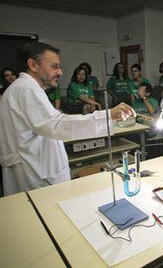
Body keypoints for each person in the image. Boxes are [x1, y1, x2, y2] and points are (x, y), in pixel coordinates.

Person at [0, 41, 136, 196]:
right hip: (35, 177)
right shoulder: (26, 89)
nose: (60, 72)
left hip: (37, 170)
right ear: (33, 65)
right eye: (54, 66)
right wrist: (108, 115)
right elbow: (56, 125)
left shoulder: (24, 88)